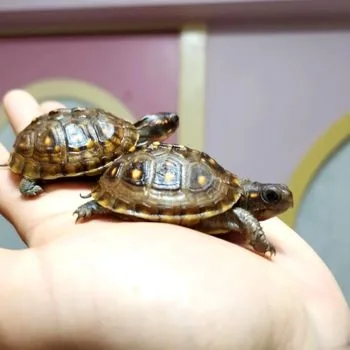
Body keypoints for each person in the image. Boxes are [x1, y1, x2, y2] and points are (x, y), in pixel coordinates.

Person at [0, 89, 348, 350]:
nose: (277, 203)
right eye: (272, 198)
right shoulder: (237, 208)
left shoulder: (231, 201)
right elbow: (243, 218)